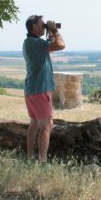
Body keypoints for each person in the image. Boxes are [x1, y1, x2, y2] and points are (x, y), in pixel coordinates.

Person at [22, 14, 65, 163]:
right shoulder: (35, 43)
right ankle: (42, 161)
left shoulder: (30, 42)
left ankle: (30, 157)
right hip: (41, 89)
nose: (44, 26)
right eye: (42, 24)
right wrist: (54, 30)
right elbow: (60, 45)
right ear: (34, 27)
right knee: (47, 124)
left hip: (31, 89)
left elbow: (50, 47)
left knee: (34, 123)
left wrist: (49, 33)